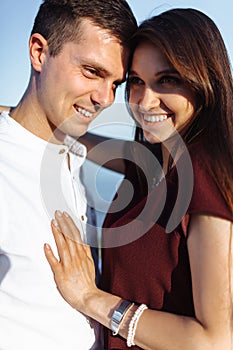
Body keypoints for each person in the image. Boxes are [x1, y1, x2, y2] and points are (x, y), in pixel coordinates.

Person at [44, 8, 233, 350]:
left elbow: (216, 340)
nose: (145, 101)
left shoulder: (205, 174)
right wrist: (23, 118)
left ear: (204, 82)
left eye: (168, 80)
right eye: (136, 82)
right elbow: (98, 146)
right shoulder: (152, 162)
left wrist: (90, 298)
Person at [0, 0, 137, 349]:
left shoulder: (76, 155)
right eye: (92, 71)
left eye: (116, 83)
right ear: (39, 52)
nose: (105, 98)